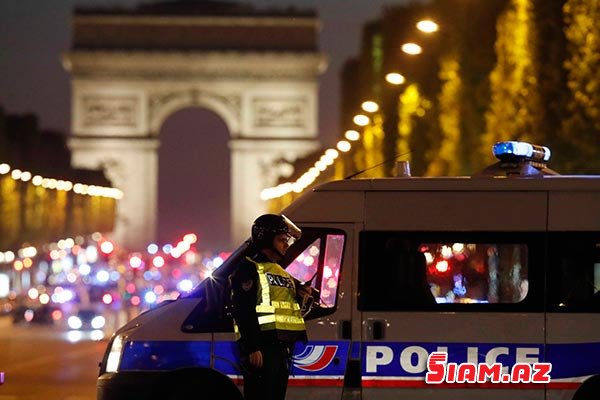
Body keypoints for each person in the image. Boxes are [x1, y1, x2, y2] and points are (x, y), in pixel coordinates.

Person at [230, 214, 309, 400]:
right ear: (266, 239)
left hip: (282, 349)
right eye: (281, 240)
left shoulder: (282, 272)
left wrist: (301, 296)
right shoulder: (248, 269)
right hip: (263, 349)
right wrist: (252, 347)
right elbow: (243, 309)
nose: (286, 244)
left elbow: (286, 307)